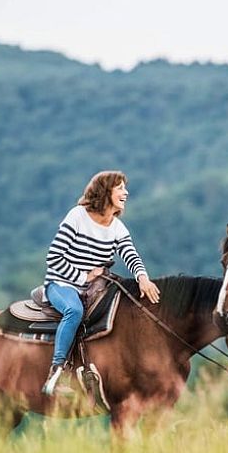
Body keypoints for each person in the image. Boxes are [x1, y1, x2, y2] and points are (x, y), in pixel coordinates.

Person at [42, 170, 160, 396]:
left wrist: (142, 278)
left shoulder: (117, 228)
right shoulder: (77, 216)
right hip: (62, 283)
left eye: (125, 188)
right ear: (105, 191)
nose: (126, 192)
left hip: (95, 287)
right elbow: (54, 257)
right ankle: (56, 373)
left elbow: (131, 255)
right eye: (120, 188)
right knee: (74, 311)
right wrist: (83, 277)